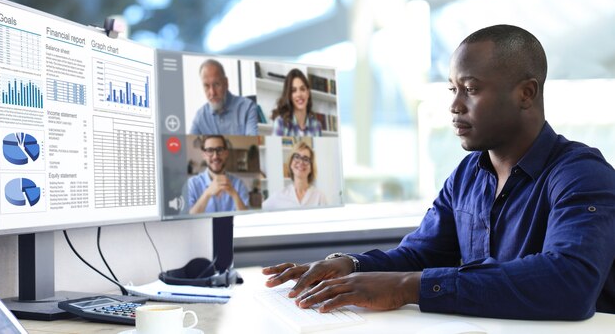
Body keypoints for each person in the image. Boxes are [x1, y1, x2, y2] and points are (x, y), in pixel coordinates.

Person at [262, 25, 615, 320]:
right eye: (453, 89)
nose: (455, 105)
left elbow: (569, 283)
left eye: (471, 89)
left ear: (526, 93)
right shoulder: (468, 175)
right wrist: (351, 266)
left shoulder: (582, 175)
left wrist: (406, 287)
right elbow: (421, 254)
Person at [190, 59, 258, 135]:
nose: (212, 93)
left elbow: (253, 143)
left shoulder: (248, 107)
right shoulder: (200, 117)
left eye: (216, 84)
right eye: (206, 86)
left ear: (226, 83)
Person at [186, 135, 249, 213]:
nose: (215, 156)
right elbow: (188, 220)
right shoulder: (191, 184)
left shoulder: (239, 184)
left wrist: (233, 193)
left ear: (226, 153)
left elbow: (246, 218)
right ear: (204, 155)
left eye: (219, 150)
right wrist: (207, 193)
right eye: (210, 150)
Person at [263, 141, 328, 210]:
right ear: (291, 163)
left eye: (306, 159)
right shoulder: (278, 196)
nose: (301, 162)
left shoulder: (320, 197)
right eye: (297, 157)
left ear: (311, 168)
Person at [271, 68, 323, 136]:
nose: (299, 94)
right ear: (289, 96)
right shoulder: (280, 123)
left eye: (302, 89)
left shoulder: (316, 126)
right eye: (294, 90)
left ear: (308, 93)